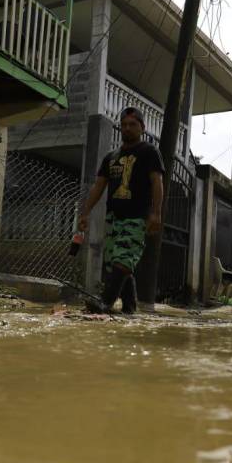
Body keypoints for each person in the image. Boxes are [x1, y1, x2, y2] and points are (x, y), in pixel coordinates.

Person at [78, 107, 164, 314]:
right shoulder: (111, 157)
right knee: (115, 264)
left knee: (124, 260)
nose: (127, 128)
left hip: (137, 217)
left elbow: (157, 183)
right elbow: (98, 186)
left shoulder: (149, 152)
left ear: (142, 128)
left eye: (132, 124)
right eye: (124, 124)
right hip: (113, 218)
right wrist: (85, 213)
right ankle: (129, 308)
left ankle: (105, 302)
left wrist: (156, 213)